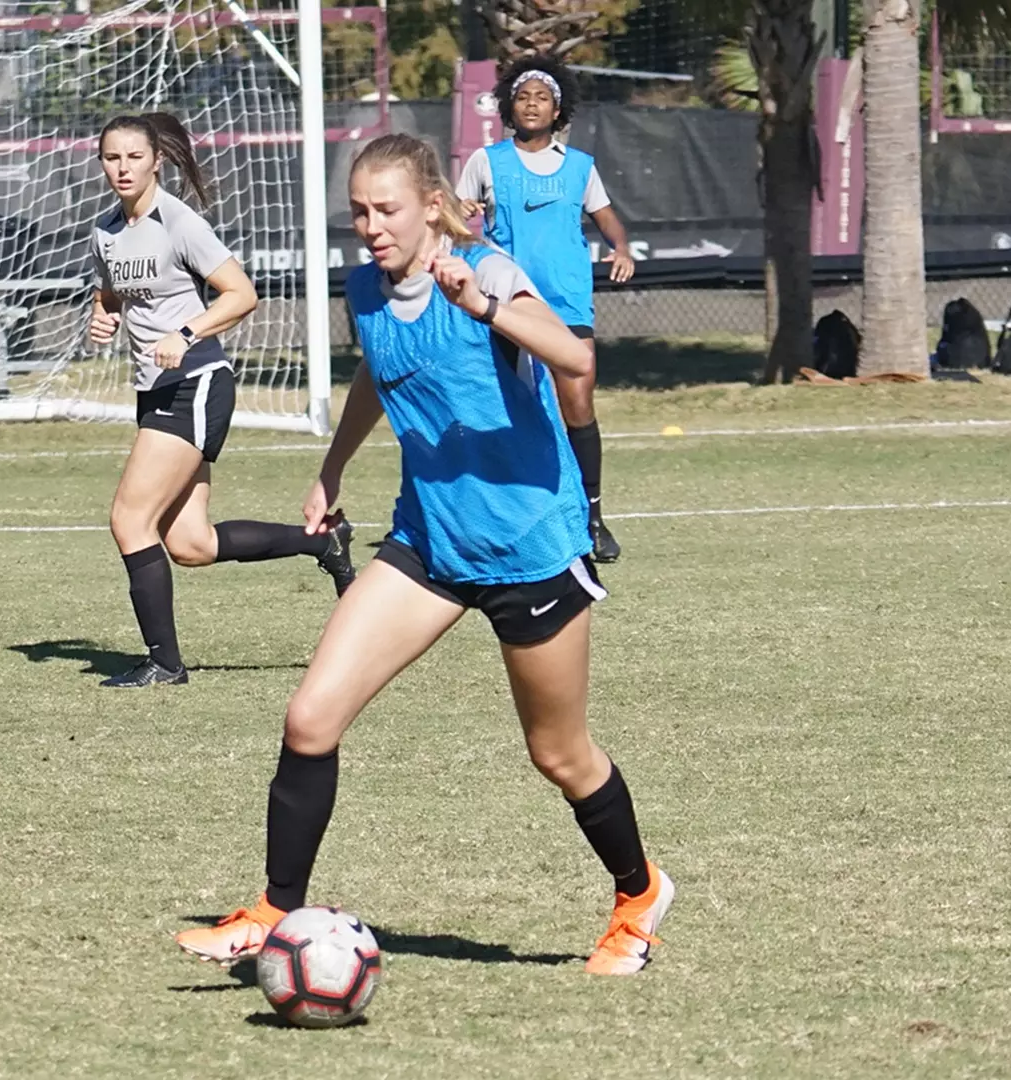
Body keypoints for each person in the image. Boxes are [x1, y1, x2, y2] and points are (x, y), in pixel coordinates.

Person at [172, 133, 672, 974]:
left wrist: (482, 304)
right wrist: (331, 468)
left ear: (432, 205)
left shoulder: (491, 275)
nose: (370, 226)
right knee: (310, 718)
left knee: (559, 755)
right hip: (427, 546)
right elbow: (382, 369)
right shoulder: (365, 287)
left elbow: (575, 357)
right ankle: (271, 912)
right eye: (359, 212)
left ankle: (638, 893)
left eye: (387, 210)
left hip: (527, 551)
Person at [87, 112, 355, 689]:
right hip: (153, 389)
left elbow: (242, 294)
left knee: (130, 519)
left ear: (156, 160)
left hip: (197, 382)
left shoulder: (180, 222)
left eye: (134, 156)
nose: (123, 167)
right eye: (112, 157)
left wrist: (183, 335)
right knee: (190, 543)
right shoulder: (106, 230)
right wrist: (103, 314)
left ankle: (165, 664)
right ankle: (322, 541)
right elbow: (112, 290)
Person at [454, 56, 634, 563]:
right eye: (524, 96)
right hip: (510, 304)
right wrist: (459, 211)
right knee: (512, 409)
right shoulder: (486, 161)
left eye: (543, 97)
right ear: (510, 106)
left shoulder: (580, 166)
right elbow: (450, 215)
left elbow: (608, 219)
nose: (532, 103)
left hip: (569, 302)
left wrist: (621, 248)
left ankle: (592, 516)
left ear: (559, 111)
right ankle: (505, 518)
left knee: (578, 403)